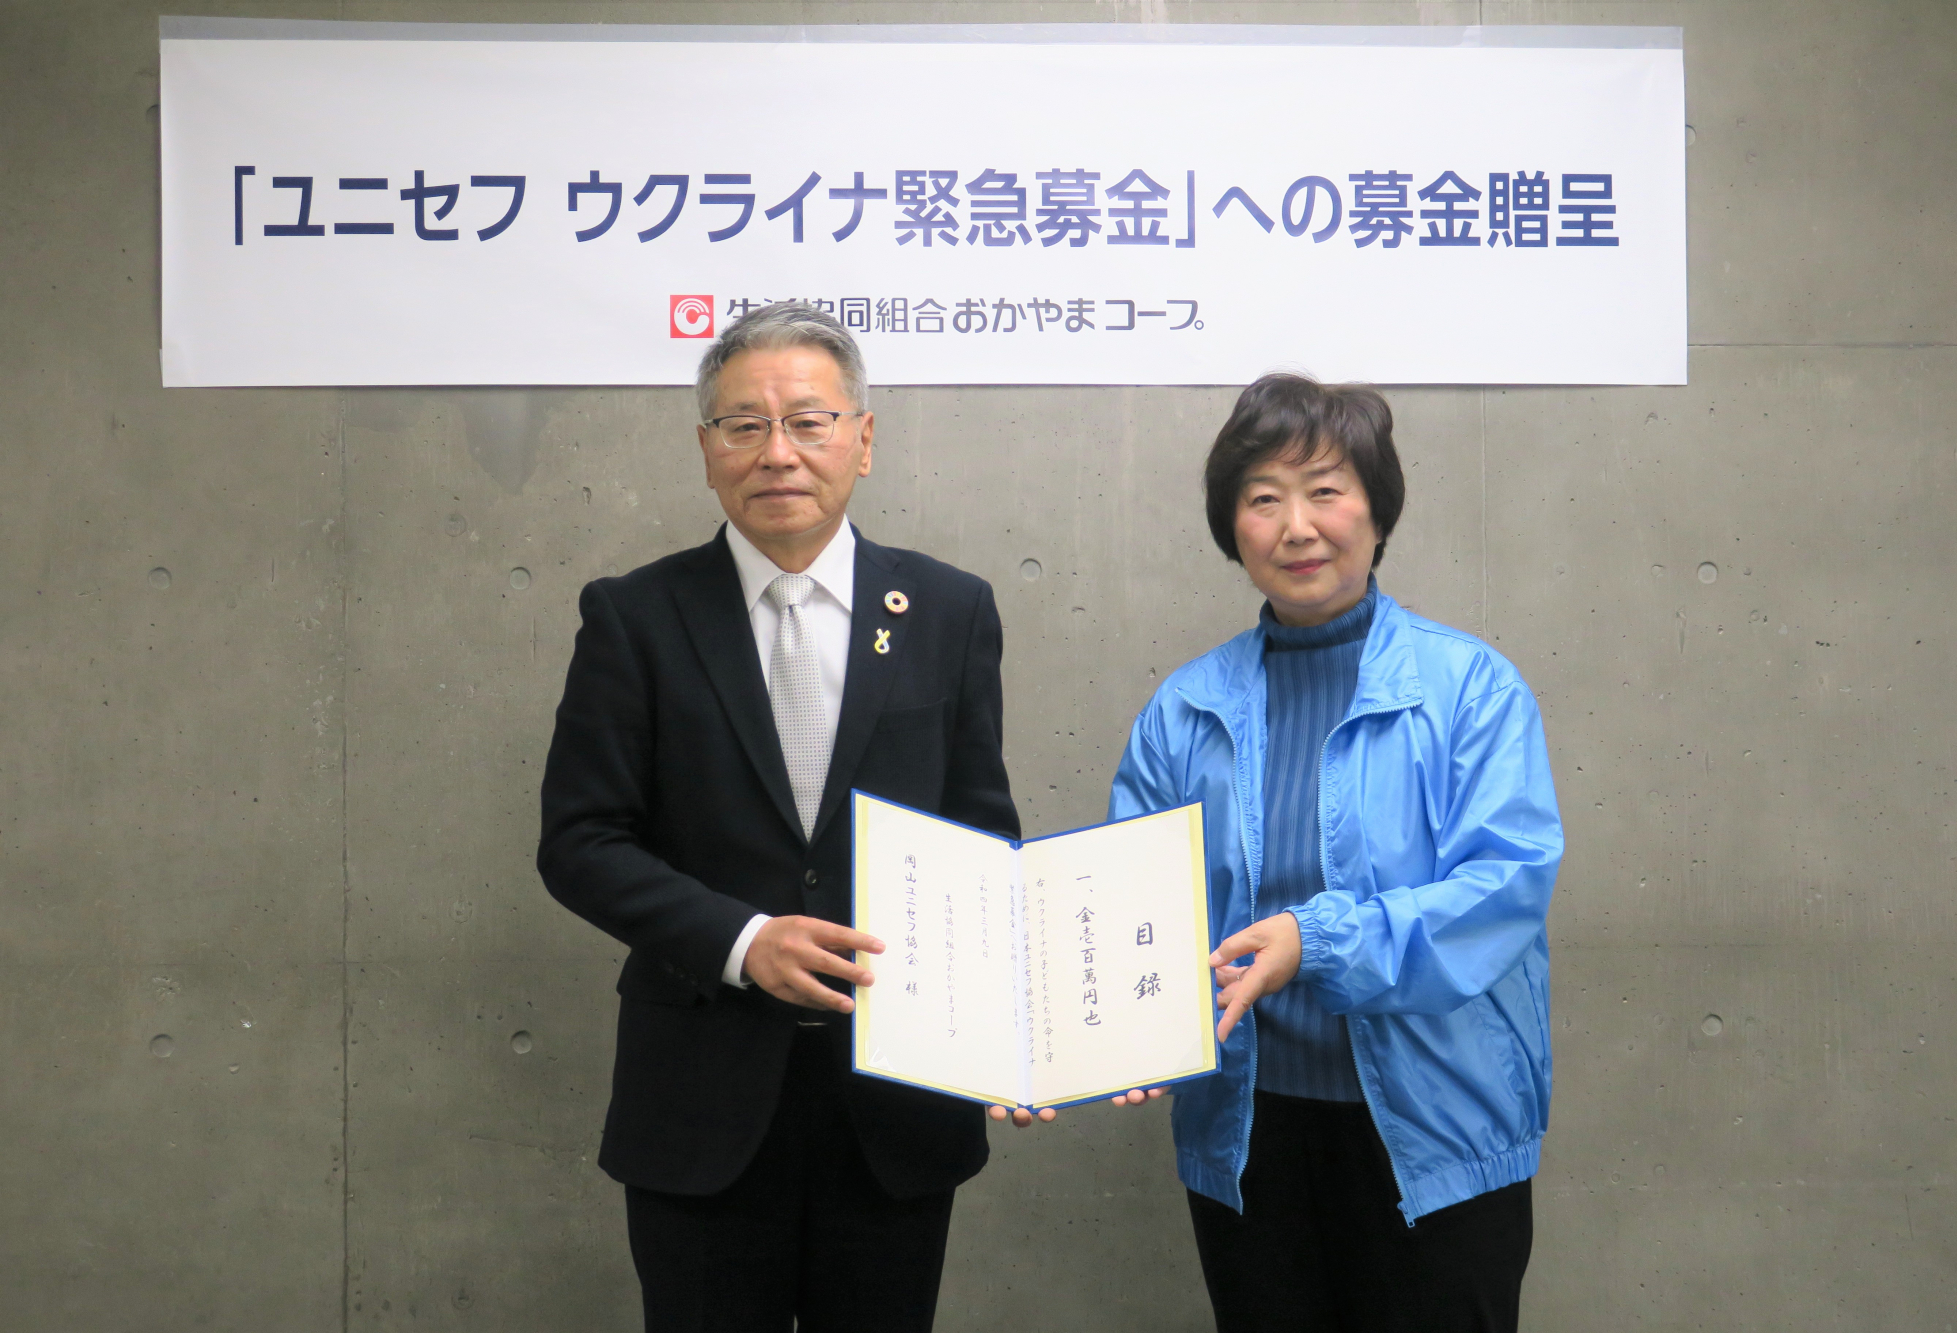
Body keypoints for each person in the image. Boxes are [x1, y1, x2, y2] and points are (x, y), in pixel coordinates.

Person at [536, 301, 1020, 1333]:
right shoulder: (636, 616)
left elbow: (981, 839)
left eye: (807, 421)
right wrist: (743, 940)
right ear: (706, 449)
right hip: (700, 1099)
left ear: (863, 439)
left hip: (896, 1101)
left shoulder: (949, 610)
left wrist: (1007, 1028)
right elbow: (580, 842)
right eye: (743, 425)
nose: (777, 452)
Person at [1106, 375, 1563, 1333]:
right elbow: (1126, 908)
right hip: (1249, 1135)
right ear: (1232, 526)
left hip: (1438, 1135)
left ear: (1376, 510)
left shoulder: (1471, 687)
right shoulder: (1184, 710)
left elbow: (1504, 887)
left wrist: (1314, 942)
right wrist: (1095, 1037)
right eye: (1263, 498)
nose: (1297, 526)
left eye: (1325, 490)